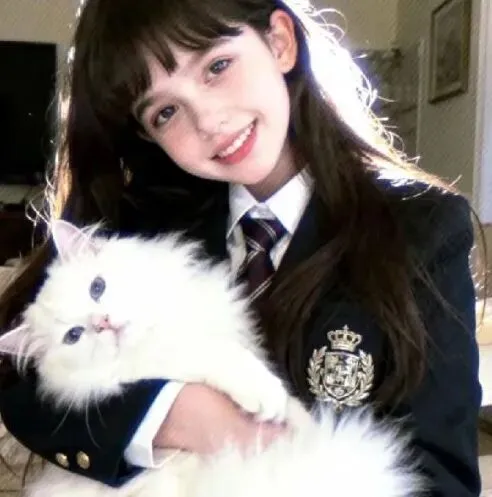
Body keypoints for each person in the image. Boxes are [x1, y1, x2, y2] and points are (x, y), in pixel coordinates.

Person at [0, 0, 483, 495]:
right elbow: (23, 389)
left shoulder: (421, 227)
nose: (207, 121)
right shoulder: (151, 223)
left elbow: (443, 477)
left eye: (217, 66)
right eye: (166, 112)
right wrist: (174, 415)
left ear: (280, 42)